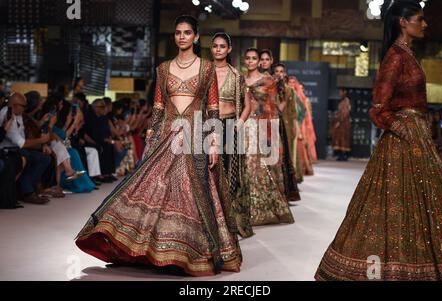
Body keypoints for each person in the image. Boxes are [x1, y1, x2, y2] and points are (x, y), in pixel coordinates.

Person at [76, 15, 242, 276]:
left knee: (190, 192)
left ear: (196, 36)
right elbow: (158, 106)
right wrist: (152, 133)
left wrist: (213, 142)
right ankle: (150, 251)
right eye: (178, 32)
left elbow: (212, 108)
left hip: (195, 136)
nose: (182, 37)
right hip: (165, 134)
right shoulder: (163, 69)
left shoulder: (207, 68)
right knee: (153, 188)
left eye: (187, 32)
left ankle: (187, 253)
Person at [315, 0, 442, 281]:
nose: (425, 24)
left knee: (427, 202)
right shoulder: (395, 57)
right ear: (403, 21)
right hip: (403, 139)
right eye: (419, 19)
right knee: (393, 205)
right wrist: (403, 129)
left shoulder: (408, 54)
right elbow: (378, 108)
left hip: (416, 135)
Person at [242, 48, 295, 226]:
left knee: (260, 167)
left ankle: (262, 207)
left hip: (262, 126)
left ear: (259, 62)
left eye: (254, 58)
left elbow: (272, 108)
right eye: (247, 58)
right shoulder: (240, 80)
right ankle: (245, 207)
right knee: (245, 167)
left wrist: (270, 134)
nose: (251, 61)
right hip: (243, 126)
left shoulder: (268, 81)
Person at [211, 32, 253, 238]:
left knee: (229, 173)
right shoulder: (204, 72)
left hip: (229, 125)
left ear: (229, 49)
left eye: (222, 46)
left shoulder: (236, 75)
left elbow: (248, 106)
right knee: (207, 171)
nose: (218, 49)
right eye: (215, 46)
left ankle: (229, 221)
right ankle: (210, 219)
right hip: (207, 126)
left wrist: (238, 123)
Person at [0, 93, 52, 205]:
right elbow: (21, 143)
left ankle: (27, 189)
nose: (25, 108)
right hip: (7, 150)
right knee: (26, 156)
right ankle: (27, 192)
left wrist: (41, 144)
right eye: (23, 106)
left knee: (44, 159)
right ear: (14, 105)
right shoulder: (7, 115)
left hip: (17, 148)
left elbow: (24, 137)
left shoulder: (18, 114)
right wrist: (41, 141)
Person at [274, 63, 306, 182]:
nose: (279, 74)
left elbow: (294, 113)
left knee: (287, 156)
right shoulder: (269, 89)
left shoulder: (290, 91)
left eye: (281, 71)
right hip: (272, 126)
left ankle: (287, 185)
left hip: (287, 126)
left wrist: (297, 130)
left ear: (285, 74)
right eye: (276, 71)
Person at [288, 76, 314, 176]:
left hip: (296, 125)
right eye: (289, 82)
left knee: (297, 147)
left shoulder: (296, 95)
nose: (291, 84)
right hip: (285, 123)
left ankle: (295, 172)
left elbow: (303, 111)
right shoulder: (284, 92)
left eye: (293, 82)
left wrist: (297, 122)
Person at [331, 88, 352, 161]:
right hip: (342, 123)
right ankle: (341, 154)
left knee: (343, 138)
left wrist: (339, 122)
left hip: (344, 124)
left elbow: (344, 113)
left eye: (340, 92)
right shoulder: (343, 101)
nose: (339, 93)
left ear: (344, 92)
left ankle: (343, 155)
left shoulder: (346, 101)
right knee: (339, 138)